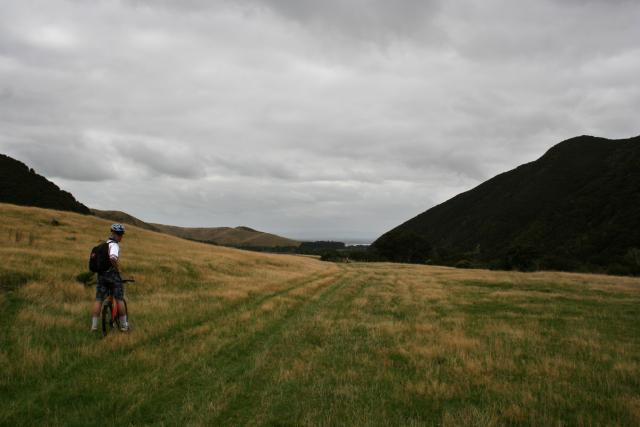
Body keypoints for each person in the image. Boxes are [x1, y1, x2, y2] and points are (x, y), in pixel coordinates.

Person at [91, 223, 128, 332]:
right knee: (120, 299)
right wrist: (117, 268)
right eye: (121, 235)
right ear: (118, 235)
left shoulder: (104, 244)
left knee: (98, 300)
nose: (121, 237)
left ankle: (94, 326)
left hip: (101, 275)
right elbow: (113, 258)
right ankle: (124, 326)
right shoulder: (114, 245)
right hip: (111, 276)